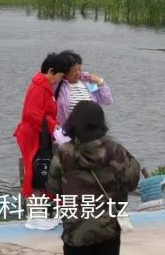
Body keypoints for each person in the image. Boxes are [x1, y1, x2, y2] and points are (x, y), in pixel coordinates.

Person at [46, 102, 140, 255]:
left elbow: (53, 188)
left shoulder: (63, 153)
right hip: (108, 230)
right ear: (100, 124)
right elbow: (132, 182)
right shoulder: (115, 150)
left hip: (75, 231)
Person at [14, 52, 73, 218]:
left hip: (41, 134)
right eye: (59, 76)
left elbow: (44, 114)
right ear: (51, 71)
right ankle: (36, 215)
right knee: (36, 172)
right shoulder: (40, 87)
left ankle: (41, 213)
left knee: (42, 170)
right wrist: (54, 126)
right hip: (33, 135)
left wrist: (54, 126)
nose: (59, 80)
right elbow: (32, 115)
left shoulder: (44, 85)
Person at [55, 51, 112, 128]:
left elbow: (107, 100)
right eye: (74, 71)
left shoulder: (87, 83)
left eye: (79, 69)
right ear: (64, 72)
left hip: (91, 129)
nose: (78, 73)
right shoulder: (58, 85)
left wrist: (100, 81)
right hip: (69, 130)